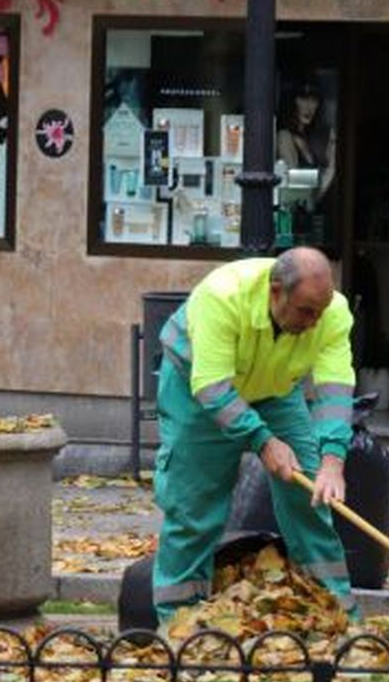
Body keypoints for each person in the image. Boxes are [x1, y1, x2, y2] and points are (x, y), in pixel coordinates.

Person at [152, 247, 358, 624]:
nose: (314, 323)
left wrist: (333, 461)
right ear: (275, 291)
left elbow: (335, 388)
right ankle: (179, 623)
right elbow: (212, 387)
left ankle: (335, 612)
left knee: (310, 493)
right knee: (194, 506)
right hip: (196, 392)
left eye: (320, 311)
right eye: (305, 312)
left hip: (275, 388)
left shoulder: (333, 313)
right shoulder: (221, 297)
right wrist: (263, 441)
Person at [275, 82, 336, 200]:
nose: (308, 107)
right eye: (302, 99)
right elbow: (295, 189)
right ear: (292, 103)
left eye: (314, 100)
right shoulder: (285, 137)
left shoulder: (311, 139)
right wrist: (331, 169)